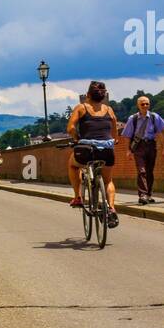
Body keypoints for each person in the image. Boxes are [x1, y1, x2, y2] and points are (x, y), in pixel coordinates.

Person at [67, 80, 119, 227]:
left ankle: (78, 197)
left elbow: (70, 128)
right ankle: (111, 208)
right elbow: (114, 126)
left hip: (86, 151)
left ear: (88, 95)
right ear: (103, 97)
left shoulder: (81, 107)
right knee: (108, 180)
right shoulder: (109, 110)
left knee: (72, 165)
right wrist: (114, 140)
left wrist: (77, 139)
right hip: (107, 151)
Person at [121, 95, 164, 205]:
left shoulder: (155, 117)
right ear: (138, 105)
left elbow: (160, 133)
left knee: (150, 171)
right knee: (142, 171)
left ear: (149, 104)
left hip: (151, 145)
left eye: (147, 104)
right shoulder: (133, 119)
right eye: (142, 104)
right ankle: (143, 195)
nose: (145, 106)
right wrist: (128, 150)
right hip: (138, 146)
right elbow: (127, 136)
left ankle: (149, 195)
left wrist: (163, 147)